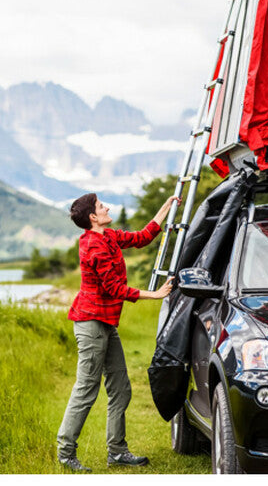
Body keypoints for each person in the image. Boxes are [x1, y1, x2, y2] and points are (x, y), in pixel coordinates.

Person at [56, 192, 179, 472]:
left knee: (121, 389)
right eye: (101, 206)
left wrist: (165, 206)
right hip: (90, 323)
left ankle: (117, 452)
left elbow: (141, 237)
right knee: (86, 389)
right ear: (93, 217)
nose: (107, 207)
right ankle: (66, 453)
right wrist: (155, 294)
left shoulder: (108, 236)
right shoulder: (93, 246)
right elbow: (114, 289)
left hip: (106, 323)